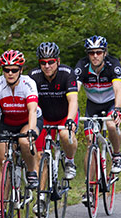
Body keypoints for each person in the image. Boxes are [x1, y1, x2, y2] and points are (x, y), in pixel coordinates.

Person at [0, 49, 43, 218]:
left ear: (21, 69)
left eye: (14, 69)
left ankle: (31, 170)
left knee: (24, 141)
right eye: (6, 69)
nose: (10, 73)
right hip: (6, 122)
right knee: (4, 164)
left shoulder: (28, 84)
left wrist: (32, 130)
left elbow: (33, 109)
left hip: (28, 120)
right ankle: (1, 208)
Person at [74, 35, 121, 206]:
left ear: (105, 53)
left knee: (111, 123)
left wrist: (117, 110)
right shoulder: (82, 66)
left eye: (98, 52)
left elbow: (118, 90)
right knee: (90, 142)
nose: (95, 56)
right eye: (91, 53)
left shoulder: (113, 65)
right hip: (92, 105)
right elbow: (74, 92)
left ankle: (116, 155)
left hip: (111, 103)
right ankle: (89, 189)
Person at [29, 42, 79, 181]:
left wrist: (70, 119)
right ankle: (41, 198)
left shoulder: (67, 73)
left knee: (65, 135)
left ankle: (70, 160)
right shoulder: (33, 76)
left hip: (64, 115)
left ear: (58, 61)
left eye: (51, 62)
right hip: (44, 118)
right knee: (39, 156)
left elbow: (73, 100)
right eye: (43, 62)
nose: (47, 66)